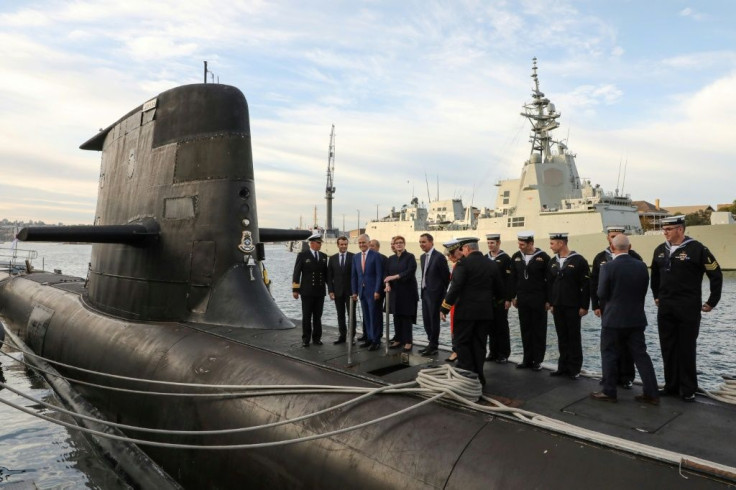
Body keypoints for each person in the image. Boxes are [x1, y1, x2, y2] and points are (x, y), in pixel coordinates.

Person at [651, 215, 723, 402]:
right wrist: (656, 295)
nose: (664, 232)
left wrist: (712, 301)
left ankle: (688, 388)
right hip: (666, 307)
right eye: (663, 229)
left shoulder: (697, 249)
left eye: (668, 229)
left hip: (688, 307)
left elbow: (715, 273)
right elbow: (655, 276)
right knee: (667, 347)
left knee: (686, 348)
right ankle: (671, 385)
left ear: (680, 229)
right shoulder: (660, 250)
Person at [591, 234, 660, 405]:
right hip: (636, 318)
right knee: (641, 355)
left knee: (609, 354)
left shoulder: (608, 267)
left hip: (613, 319)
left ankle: (609, 391)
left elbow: (601, 293)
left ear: (612, 248)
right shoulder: (642, 267)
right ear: (629, 247)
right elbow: (644, 290)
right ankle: (651, 393)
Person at [440, 237, 505, 386]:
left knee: (462, 342)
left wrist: (444, 308)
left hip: (465, 313)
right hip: (485, 313)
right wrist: (491, 305)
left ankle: (466, 375)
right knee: (479, 344)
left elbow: (455, 288)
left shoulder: (462, 264)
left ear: (467, 249)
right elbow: (500, 291)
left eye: (462, 249)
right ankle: (479, 376)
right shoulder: (491, 264)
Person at [590, 226, 643, 389]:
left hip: (628, 308)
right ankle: (609, 378)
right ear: (608, 238)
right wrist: (595, 305)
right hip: (608, 308)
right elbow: (594, 283)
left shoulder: (634, 257)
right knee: (609, 347)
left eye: (617, 236)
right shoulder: (600, 258)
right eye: (612, 236)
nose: (614, 239)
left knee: (627, 347)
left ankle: (626, 377)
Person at [547, 232, 590, 379]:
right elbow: (550, 284)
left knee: (574, 337)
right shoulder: (553, 262)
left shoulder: (579, 261)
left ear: (561, 243)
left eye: (552, 243)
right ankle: (563, 366)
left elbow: (586, 285)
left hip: (573, 305)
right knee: (562, 337)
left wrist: (584, 306)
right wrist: (551, 303)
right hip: (558, 306)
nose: (550, 246)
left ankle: (574, 368)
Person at [509, 232, 550, 371]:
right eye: (519, 244)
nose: (520, 247)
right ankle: (527, 358)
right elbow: (513, 279)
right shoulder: (516, 257)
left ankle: (537, 360)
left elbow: (549, 281)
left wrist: (548, 300)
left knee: (538, 330)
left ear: (531, 243)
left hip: (538, 299)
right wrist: (513, 296)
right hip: (523, 299)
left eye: (523, 244)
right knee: (525, 329)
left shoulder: (543, 258)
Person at [292, 233, 328, 347]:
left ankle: (317, 338)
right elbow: (296, 273)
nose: (320, 245)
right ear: (312, 243)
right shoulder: (303, 255)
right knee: (307, 316)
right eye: (318, 243)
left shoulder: (323, 256)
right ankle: (306, 339)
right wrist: (295, 290)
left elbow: (326, 274)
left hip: (320, 291)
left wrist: (331, 289)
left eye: (320, 243)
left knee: (318, 316)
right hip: (307, 291)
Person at [383, 236, 418, 352]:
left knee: (406, 317)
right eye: (396, 243)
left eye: (401, 242)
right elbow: (386, 274)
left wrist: (394, 277)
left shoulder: (410, 257)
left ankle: (408, 341)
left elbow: (409, 271)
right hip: (395, 292)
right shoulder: (391, 258)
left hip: (407, 292)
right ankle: (398, 339)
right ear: (394, 245)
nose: (398, 244)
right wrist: (387, 284)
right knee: (396, 316)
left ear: (404, 244)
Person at [351, 234, 384, 351]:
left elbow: (380, 275)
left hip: (373, 292)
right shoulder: (356, 257)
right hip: (362, 291)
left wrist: (377, 290)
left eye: (363, 242)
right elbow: (354, 276)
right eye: (359, 243)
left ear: (368, 243)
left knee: (374, 316)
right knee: (366, 316)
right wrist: (354, 291)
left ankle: (376, 340)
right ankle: (369, 338)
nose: (361, 245)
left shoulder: (376, 256)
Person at [419, 233, 450, 356]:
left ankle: (434, 345)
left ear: (431, 242)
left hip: (435, 295)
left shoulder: (439, 257)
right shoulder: (422, 257)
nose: (421, 244)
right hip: (425, 292)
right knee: (426, 320)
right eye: (420, 242)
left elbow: (446, 277)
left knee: (433, 320)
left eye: (424, 242)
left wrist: (441, 293)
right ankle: (430, 343)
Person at [485, 233, 512, 363]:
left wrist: (508, 298)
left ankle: (503, 353)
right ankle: (493, 352)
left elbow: (509, 280)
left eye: (492, 243)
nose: (490, 245)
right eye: (488, 243)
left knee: (501, 327)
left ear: (498, 243)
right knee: (490, 327)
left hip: (501, 299)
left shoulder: (505, 258)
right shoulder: (485, 258)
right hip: (488, 299)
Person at [327, 236, 354, 344]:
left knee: (351, 315)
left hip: (351, 292)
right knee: (340, 315)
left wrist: (356, 291)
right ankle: (342, 336)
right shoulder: (332, 258)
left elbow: (356, 275)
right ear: (338, 245)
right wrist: (330, 291)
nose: (344, 246)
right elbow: (329, 277)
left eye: (345, 244)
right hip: (337, 292)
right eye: (341, 244)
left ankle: (351, 337)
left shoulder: (353, 257)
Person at [442, 239, 463, 362]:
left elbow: (455, 288)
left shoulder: (460, 266)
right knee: (454, 328)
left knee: (457, 328)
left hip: (458, 302)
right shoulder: (457, 266)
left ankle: (457, 351)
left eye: (450, 255)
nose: (449, 258)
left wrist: (444, 307)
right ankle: (456, 350)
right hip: (455, 302)